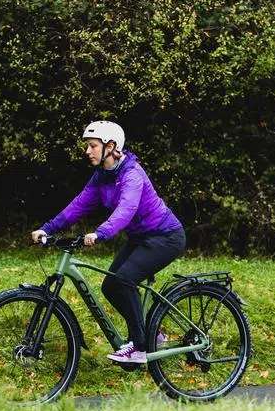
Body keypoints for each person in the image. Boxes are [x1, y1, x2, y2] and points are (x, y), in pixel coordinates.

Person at [31, 121, 186, 364]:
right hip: (140, 238)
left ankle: (140, 347)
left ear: (111, 147)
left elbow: (126, 208)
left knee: (124, 279)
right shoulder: (102, 176)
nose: (88, 151)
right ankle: (151, 334)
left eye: (92, 146)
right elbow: (78, 205)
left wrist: (101, 233)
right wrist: (47, 228)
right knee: (111, 286)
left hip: (165, 237)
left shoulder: (131, 174)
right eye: (88, 146)